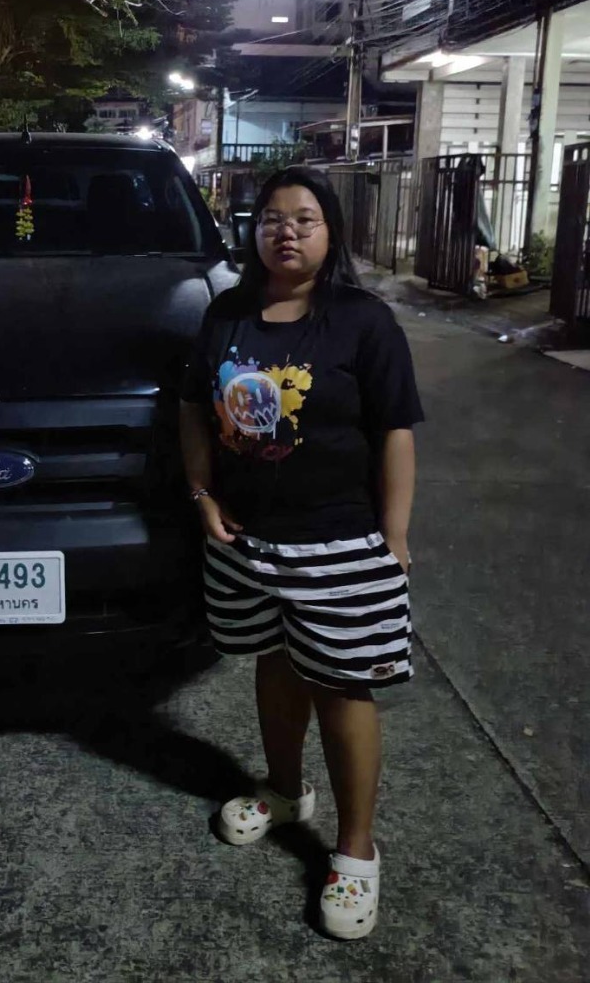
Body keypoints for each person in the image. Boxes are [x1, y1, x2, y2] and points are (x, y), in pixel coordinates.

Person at [179, 165, 423, 941]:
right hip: (246, 541)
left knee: (344, 687)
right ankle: (285, 792)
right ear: (253, 231)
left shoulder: (362, 322)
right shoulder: (226, 314)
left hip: (340, 543)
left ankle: (355, 851)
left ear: (331, 232)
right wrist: (203, 494)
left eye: (305, 219)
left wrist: (395, 537)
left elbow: (395, 430)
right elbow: (193, 409)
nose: (286, 231)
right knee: (275, 664)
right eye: (272, 219)